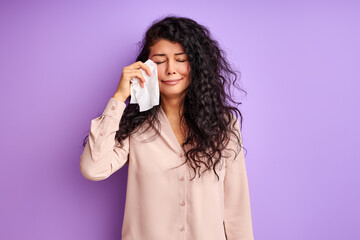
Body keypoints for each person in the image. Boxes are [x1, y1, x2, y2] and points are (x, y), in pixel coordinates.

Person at [80, 15, 254, 240]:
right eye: (160, 61)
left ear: (197, 65)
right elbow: (93, 169)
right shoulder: (135, 127)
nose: (171, 69)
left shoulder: (224, 125)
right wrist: (119, 97)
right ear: (146, 67)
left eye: (181, 59)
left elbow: (236, 207)